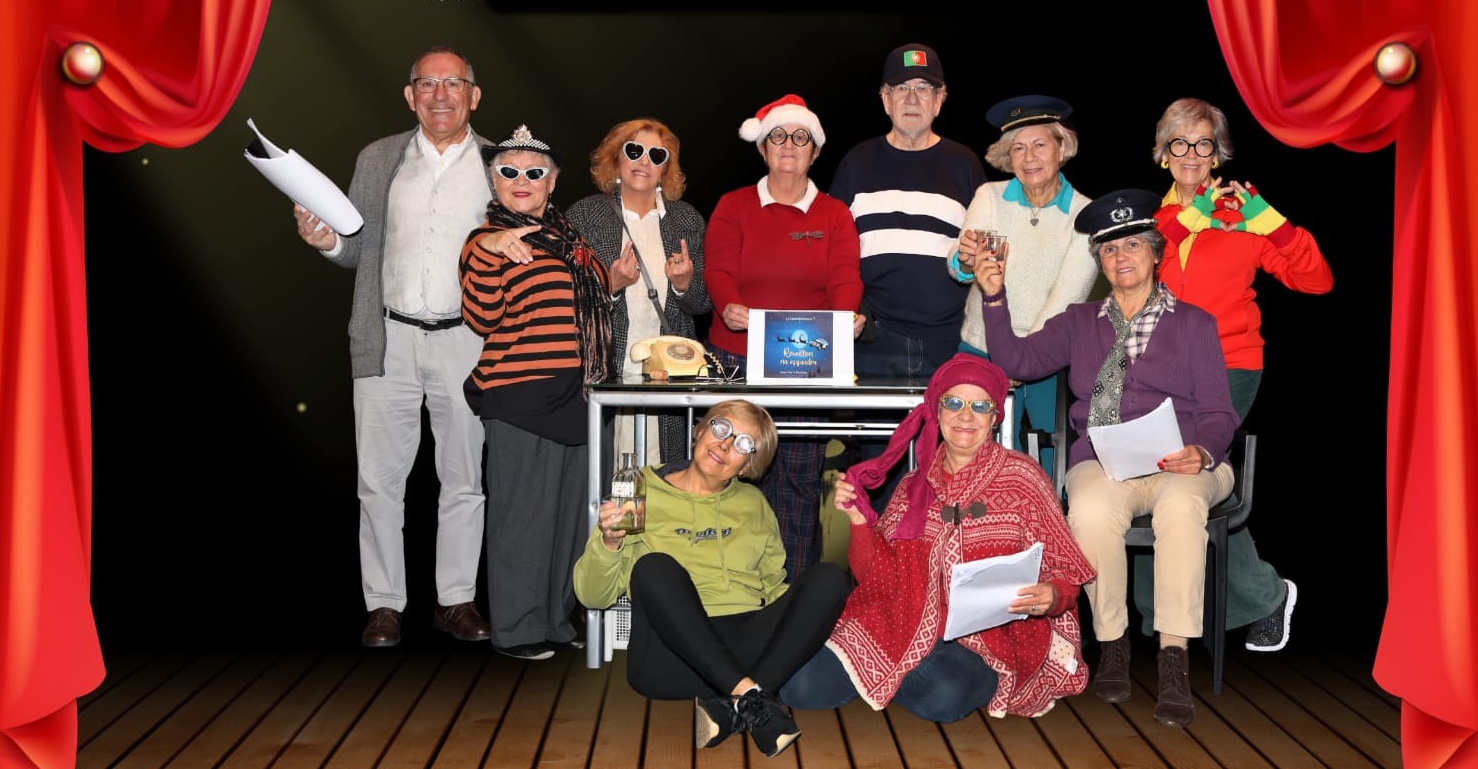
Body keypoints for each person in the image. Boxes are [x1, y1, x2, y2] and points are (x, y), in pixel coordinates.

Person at [979, 189, 1239, 728]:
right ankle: (1113, 645)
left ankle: (1173, 657)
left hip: (1185, 462)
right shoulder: (1079, 322)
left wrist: (1202, 451)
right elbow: (1018, 361)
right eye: (1110, 250)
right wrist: (995, 298)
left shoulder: (1194, 324)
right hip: (1106, 460)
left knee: (1181, 508)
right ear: (1099, 261)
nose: (1122, 257)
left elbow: (1219, 412)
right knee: (1090, 510)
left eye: (1133, 245)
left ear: (1155, 254)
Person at [292, 45, 492, 648]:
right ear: (410, 96)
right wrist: (327, 241)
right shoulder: (378, 158)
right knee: (378, 482)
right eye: (427, 83)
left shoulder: (502, 164)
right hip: (387, 339)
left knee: (464, 478)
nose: (440, 94)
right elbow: (355, 247)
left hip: (469, 342)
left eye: (452, 83)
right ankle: (383, 604)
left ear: (473, 95)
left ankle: (455, 600)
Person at [779, 354, 1095, 721]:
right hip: (900, 622)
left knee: (943, 696)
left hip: (987, 638)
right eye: (954, 402)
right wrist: (858, 522)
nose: (965, 416)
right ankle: (903, 667)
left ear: (994, 417)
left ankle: (896, 672)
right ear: (937, 410)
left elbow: (1064, 569)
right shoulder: (913, 486)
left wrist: (1053, 595)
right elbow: (875, 576)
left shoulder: (1024, 478)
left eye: (980, 406)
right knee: (799, 687)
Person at [1141, 97, 1329, 653]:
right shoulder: (1150, 218)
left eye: (1203, 143)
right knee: (1161, 476)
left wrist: (1270, 222)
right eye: (1179, 143)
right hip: (1160, 371)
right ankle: (1184, 610)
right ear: (1164, 153)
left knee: (1188, 468)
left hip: (1230, 363)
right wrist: (1197, 213)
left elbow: (1315, 280)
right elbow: (1151, 252)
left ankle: (1242, 599)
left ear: (1217, 153)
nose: (1191, 154)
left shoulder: (1238, 216)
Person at [572, 400, 851, 758]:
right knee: (653, 567)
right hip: (670, 659)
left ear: (748, 465)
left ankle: (740, 703)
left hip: (746, 649)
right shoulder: (639, 491)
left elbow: (775, 587)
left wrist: (804, 625)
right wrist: (609, 543)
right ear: (700, 430)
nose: (725, 444)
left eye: (743, 444)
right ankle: (753, 697)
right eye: (721, 429)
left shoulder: (753, 503)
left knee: (829, 578)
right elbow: (592, 596)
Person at [460, 124, 615, 661]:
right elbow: (480, 317)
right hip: (521, 395)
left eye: (534, 171)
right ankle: (517, 628)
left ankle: (554, 619)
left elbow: (585, 304)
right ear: (494, 181)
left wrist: (613, 280)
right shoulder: (486, 241)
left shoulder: (572, 241)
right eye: (509, 171)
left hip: (579, 394)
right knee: (523, 519)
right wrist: (489, 249)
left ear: (552, 182)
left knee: (570, 520)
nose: (521, 180)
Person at [704, 93, 863, 582]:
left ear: (815, 152)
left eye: (800, 137)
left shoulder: (834, 214)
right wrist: (728, 304)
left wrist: (845, 319)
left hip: (805, 364)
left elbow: (845, 278)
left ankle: (792, 594)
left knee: (797, 483)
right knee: (728, 475)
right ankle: (727, 587)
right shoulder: (733, 205)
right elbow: (718, 270)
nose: (789, 145)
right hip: (736, 359)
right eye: (778, 136)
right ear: (762, 148)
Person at [830, 43, 987, 508]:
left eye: (924, 88)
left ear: (940, 99)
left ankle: (941, 559)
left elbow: (984, 253)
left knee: (948, 479)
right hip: (875, 344)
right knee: (879, 477)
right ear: (885, 99)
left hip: (948, 342)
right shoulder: (857, 163)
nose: (913, 98)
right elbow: (832, 252)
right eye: (901, 89)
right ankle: (878, 557)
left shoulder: (964, 164)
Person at [953, 95, 1099, 471]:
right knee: (972, 462)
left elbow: (1066, 300)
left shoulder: (1085, 214)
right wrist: (965, 260)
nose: (1029, 157)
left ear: (1062, 148)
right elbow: (961, 265)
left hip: (1046, 357)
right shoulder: (989, 196)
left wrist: (1020, 360)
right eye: (1018, 148)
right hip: (980, 350)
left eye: (1039, 145)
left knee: (1048, 465)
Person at [567, 118, 711, 465]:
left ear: (666, 169)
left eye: (656, 155)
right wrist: (611, 285)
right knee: (604, 472)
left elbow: (703, 303)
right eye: (634, 151)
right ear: (616, 158)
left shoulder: (686, 220)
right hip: (603, 372)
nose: (644, 161)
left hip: (667, 377)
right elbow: (567, 300)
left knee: (663, 470)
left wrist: (683, 284)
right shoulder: (585, 215)